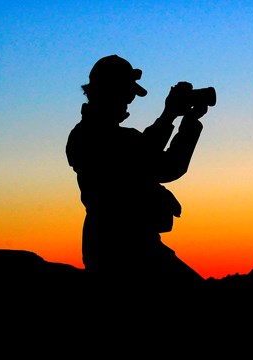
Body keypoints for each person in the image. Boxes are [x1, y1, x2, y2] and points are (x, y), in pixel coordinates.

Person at [66, 54, 211, 287]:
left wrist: (180, 119)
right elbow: (155, 162)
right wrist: (177, 118)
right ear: (109, 90)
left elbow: (156, 160)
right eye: (126, 91)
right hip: (124, 250)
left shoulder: (97, 135)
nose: (130, 100)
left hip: (129, 245)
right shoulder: (91, 137)